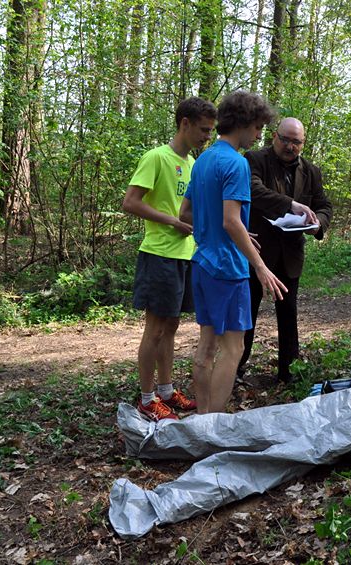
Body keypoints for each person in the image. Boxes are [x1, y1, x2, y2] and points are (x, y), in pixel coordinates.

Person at [179, 91, 288, 414]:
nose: (259, 135)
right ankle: (213, 423)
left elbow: (186, 213)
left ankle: (201, 419)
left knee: (206, 346)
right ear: (243, 124)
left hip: (201, 263)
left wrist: (228, 232)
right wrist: (260, 266)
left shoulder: (204, 159)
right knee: (234, 347)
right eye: (258, 128)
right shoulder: (237, 163)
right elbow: (230, 220)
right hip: (228, 269)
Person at [122, 97, 217, 421]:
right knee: (156, 329)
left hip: (186, 254)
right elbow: (130, 202)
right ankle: (147, 399)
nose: (207, 136)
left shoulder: (193, 164)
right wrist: (172, 221)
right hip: (159, 254)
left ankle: (166, 391)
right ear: (185, 123)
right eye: (203, 130)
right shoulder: (157, 157)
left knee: (173, 326)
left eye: (211, 131)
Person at [237, 117, 333, 383]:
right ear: (275, 137)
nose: (290, 146)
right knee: (247, 314)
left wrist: (318, 226)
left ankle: (290, 372)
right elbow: (254, 191)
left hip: (290, 254)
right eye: (286, 139)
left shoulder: (311, 171)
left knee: (288, 315)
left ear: (303, 144)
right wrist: (291, 205)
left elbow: (324, 205)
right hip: (256, 252)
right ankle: (235, 369)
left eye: (296, 142)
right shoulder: (254, 159)